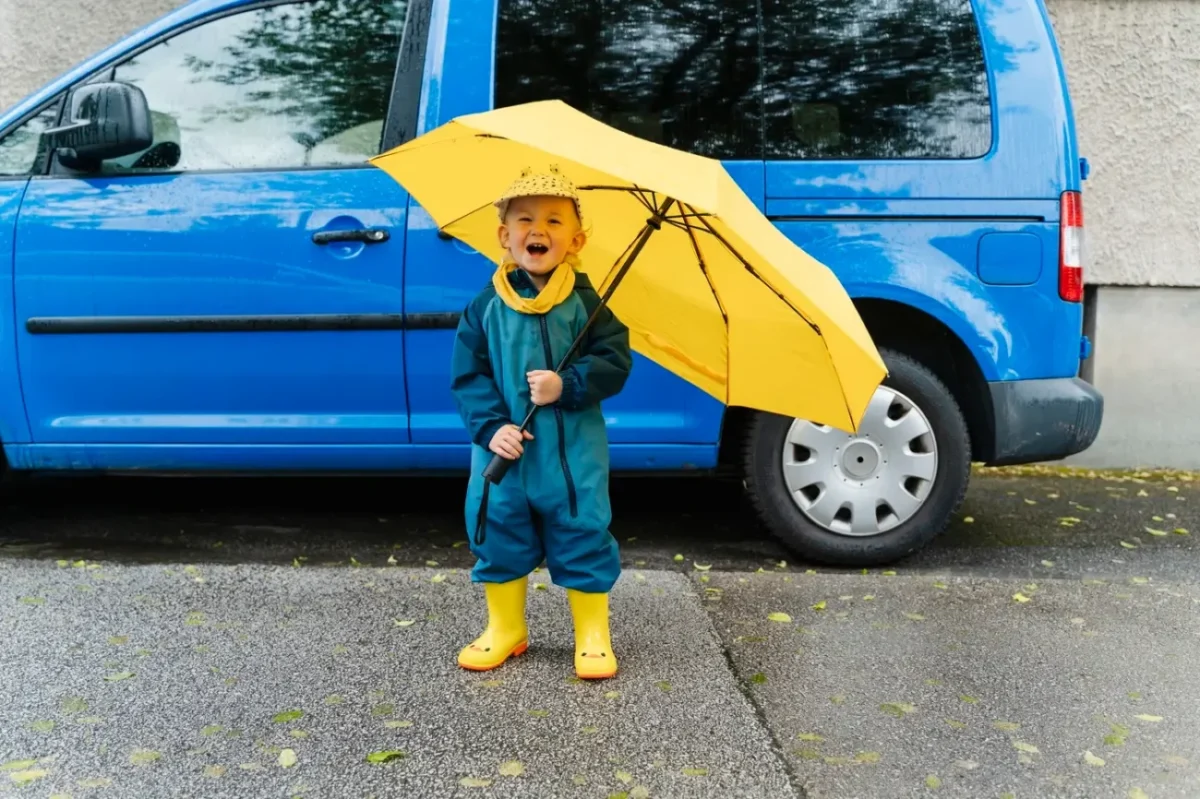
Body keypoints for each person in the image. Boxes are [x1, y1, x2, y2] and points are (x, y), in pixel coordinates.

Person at [449, 169, 632, 680]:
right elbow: (468, 375)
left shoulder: (587, 305)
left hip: (572, 456)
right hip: (504, 452)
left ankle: (593, 633)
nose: (539, 229)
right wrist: (490, 429)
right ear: (504, 236)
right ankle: (506, 627)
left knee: (581, 527)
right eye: (525, 220)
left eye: (555, 221)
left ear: (576, 241)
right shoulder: (485, 306)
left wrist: (567, 385)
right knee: (498, 525)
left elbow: (614, 361)